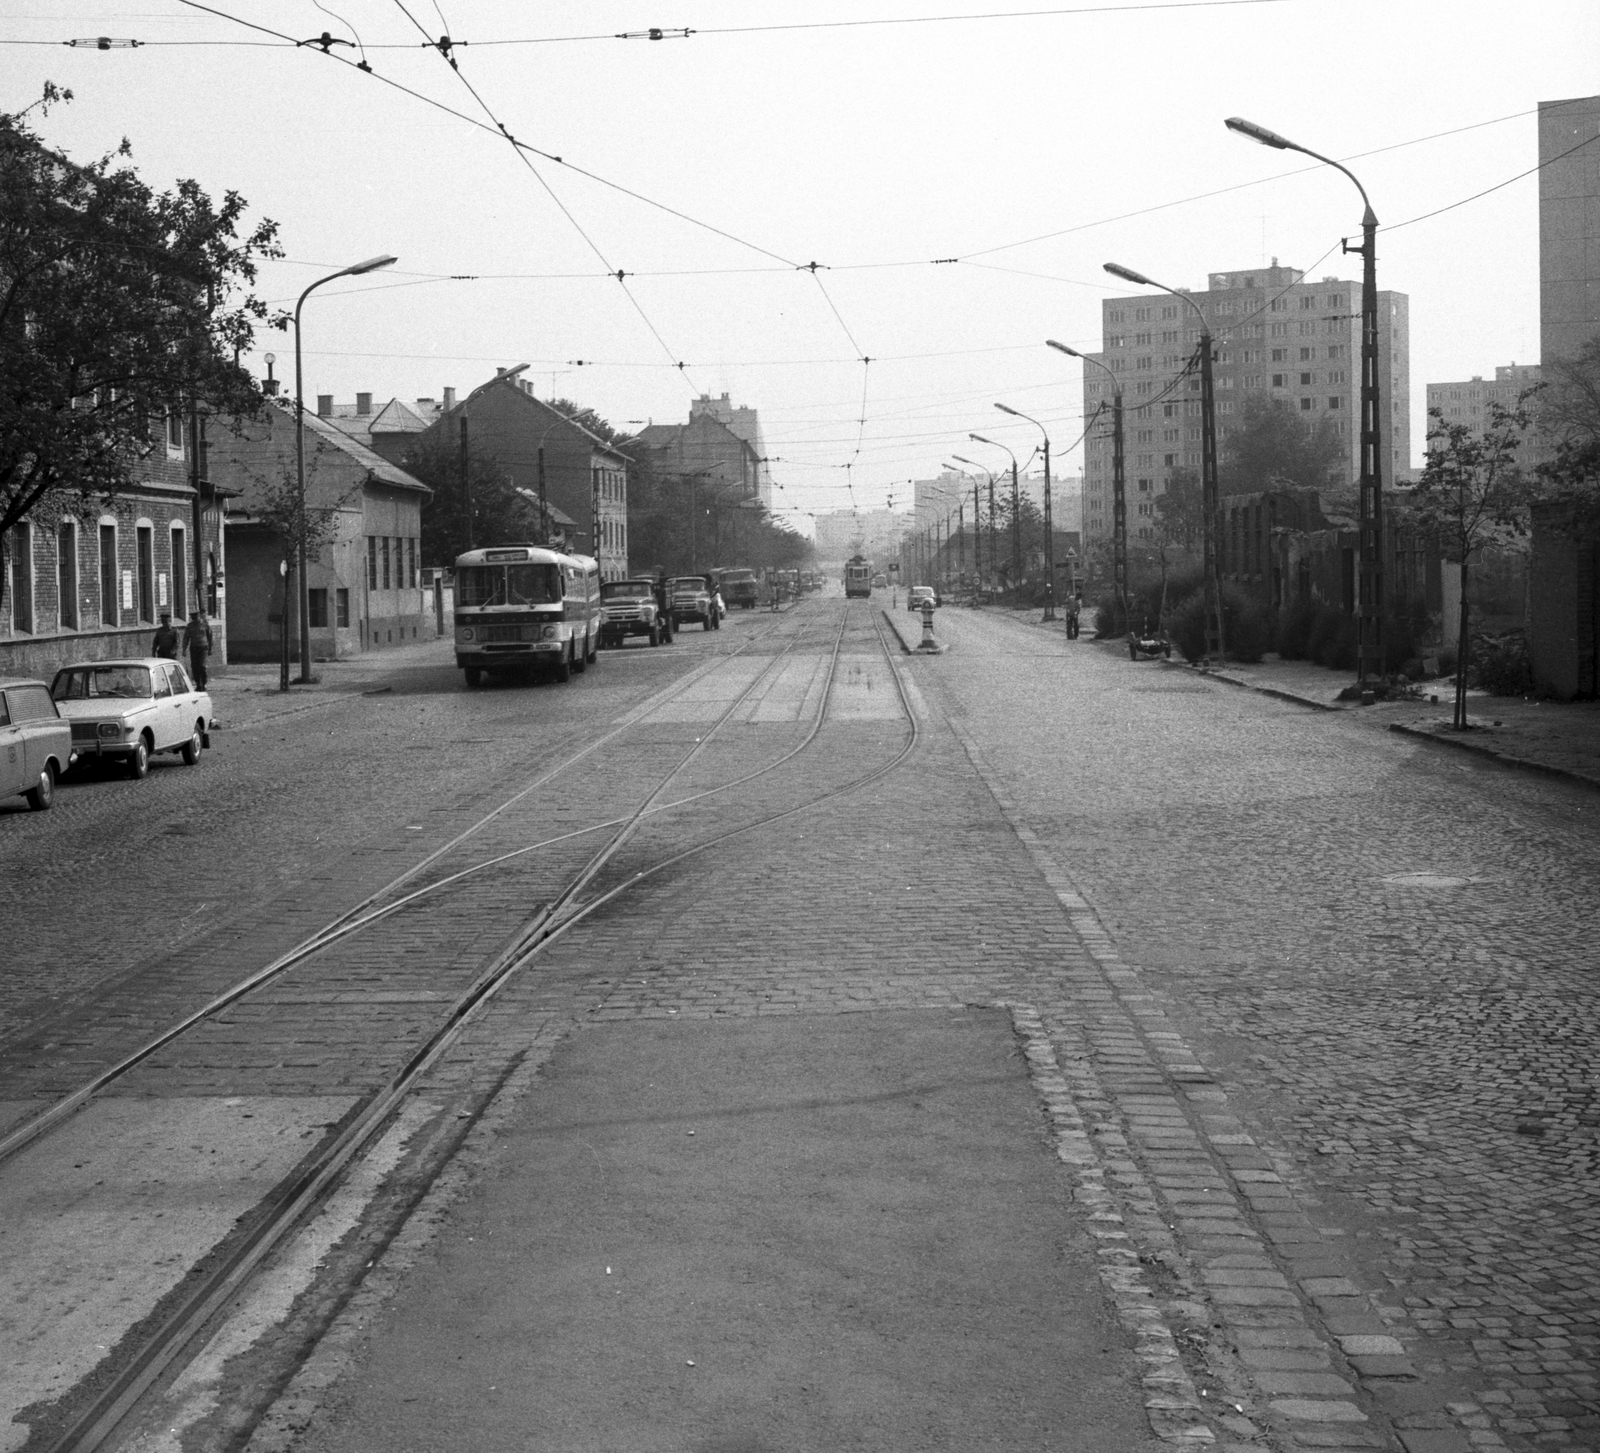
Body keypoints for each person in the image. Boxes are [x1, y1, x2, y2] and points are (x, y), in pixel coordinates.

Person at [183, 609, 213, 687]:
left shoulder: (205, 625)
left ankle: (204, 682)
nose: (194, 619)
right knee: (194, 667)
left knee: (202, 666)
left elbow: (210, 637)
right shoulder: (190, 626)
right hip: (194, 648)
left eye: (196, 617)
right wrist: (184, 649)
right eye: (193, 618)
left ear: (199, 616)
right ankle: (198, 684)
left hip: (203, 648)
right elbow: (186, 638)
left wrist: (210, 649)